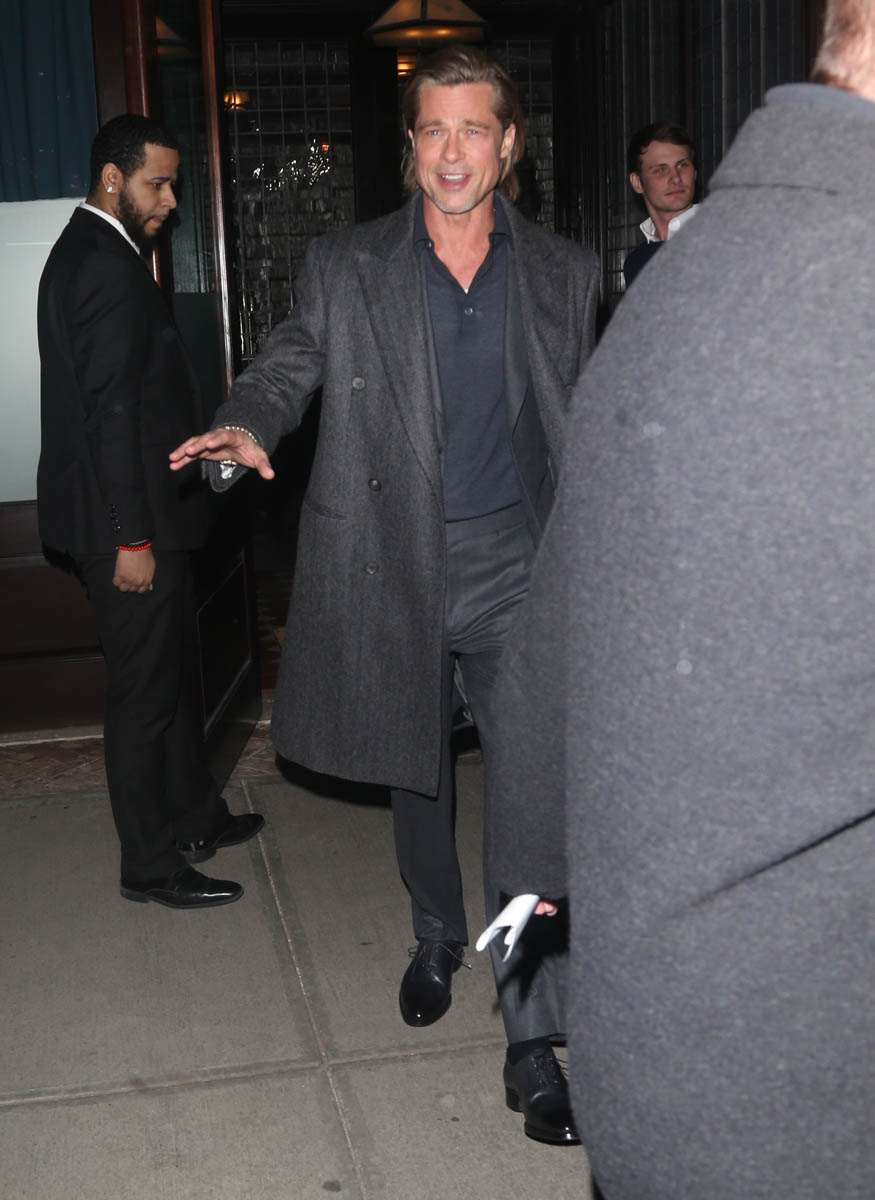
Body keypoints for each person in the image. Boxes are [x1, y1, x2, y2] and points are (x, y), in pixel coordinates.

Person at [170, 47, 599, 1142]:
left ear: (508, 144)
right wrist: (247, 422)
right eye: (432, 129)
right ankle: (434, 932)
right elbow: (291, 359)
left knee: (532, 793)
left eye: (473, 129)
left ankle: (531, 1038)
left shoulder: (562, 271)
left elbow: (583, 412)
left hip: (518, 564)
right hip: (393, 553)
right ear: (410, 146)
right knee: (416, 765)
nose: (452, 152)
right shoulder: (348, 262)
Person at [487, 1, 875, 1195]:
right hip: (814, 1092)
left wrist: (535, 867)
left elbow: (546, 667)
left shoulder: (675, 286)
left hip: (663, 1054)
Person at [37, 114, 263, 910]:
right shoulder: (102, 264)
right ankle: (149, 862)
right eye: (156, 183)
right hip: (124, 527)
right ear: (112, 179)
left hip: (141, 514)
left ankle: (195, 817)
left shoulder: (96, 252)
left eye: (172, 184)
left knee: (169, 681)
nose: (169, 200)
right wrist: (132, 536)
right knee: (143, 695)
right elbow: (110, 417)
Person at [622, 120, 698, 286]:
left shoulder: (725, 238)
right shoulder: (635, 263)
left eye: (682, 165)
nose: (676, 178)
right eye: (661, 169)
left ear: (694, 173)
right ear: (637, 183)